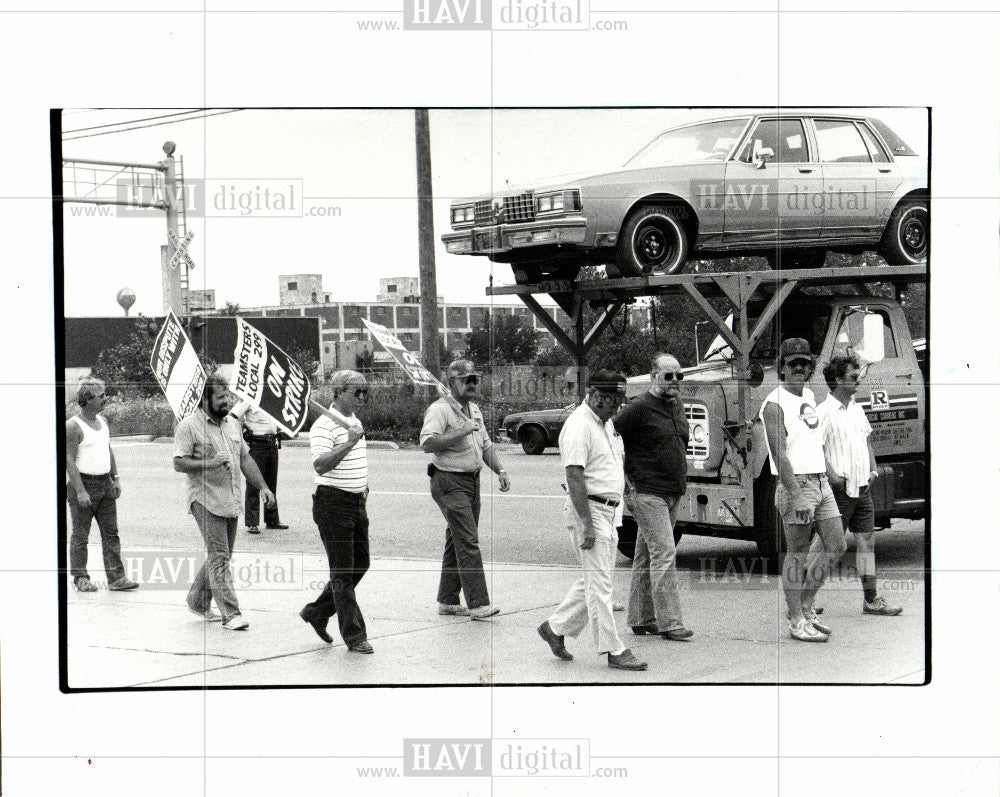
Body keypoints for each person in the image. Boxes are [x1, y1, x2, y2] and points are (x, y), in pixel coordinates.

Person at [538, 370, 648, 672]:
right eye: (613, 402)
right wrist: (586, 523)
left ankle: (555, 627)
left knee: (596, 580)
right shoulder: (578, 427)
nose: (617, 409)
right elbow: (574, 475)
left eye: (619, 402)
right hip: (589, 511)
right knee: (600, 586)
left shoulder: (605, 423)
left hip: (609, 511)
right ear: (596, 396)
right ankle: (614, 650)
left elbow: (612, 463)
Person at [760, 338, 847, 643]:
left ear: (811, 367)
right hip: (796, 484)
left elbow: (813, 440)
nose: (798, 368)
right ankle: (796, 619)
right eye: (791, 363)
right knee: (796, 553)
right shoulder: (774, 403)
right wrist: (795, 494)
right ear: (781, 368)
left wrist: (830, 473)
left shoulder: (808, 395)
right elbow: (779, 453)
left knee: (837, 545)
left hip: (820, 482)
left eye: (804, 363)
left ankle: (806, 605)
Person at [173, 373, 275, 631]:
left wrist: (263, 487)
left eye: (227, 396)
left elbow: (246, 460)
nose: (226, 402)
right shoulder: (189, 426)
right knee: (219, 556)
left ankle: (197, 600)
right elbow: (179, 463)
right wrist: (212, 462)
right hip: (204, 499)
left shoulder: (232, 424)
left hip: (230, 498)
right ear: (205, 398)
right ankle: (231, 613)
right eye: (220, 397)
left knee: (221, 555)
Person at [420, 359, 510, 621]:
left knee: (457, 538)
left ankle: (448, 599)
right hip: (449, 480)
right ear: (452, 383)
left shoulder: (474, 410)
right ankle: (478, 603)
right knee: (469, 541)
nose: (471, 384)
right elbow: (427, 443)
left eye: (474, 379)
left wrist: (500, 470)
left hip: (472, 481)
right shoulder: (440, 410)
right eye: (465, 379)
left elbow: (485, 446)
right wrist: (461, 431)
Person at [813, 353, 902, 616]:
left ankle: (871, 600)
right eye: (853, 378)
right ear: (838, 380)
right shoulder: (823, 413)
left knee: (867, 541)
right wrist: (834, 479)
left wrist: (872, 470)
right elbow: (815, 449)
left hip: (862, 489)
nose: (857, 382)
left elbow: (867, 441)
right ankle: (804, 599)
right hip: (839, 492)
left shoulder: (856, 408)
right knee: (824, 545)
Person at [612, 352, 693, 641]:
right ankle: (671, 622)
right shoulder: (638, 408)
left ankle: (641, 618)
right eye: (668, 375)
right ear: (653, 376)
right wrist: (622, 477)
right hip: (646, 492)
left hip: (672, 491)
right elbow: (610, 435)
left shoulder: (676, 405)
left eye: (679, 376)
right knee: (665, 553)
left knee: (646, 556)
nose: (674, 381)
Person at [299, 370, 374, 654]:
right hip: (333, 503)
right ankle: (354, 635)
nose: (363, 397)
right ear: (339, 392)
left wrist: (364, 486)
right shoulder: (323, 426)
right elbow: (320, 465)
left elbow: (355, 461)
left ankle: (317, 611)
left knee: (361, 563)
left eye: (365, 392)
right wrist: (350, 442)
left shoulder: (354, 421)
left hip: (356, 502)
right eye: (357, 392)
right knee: (342, 570)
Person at [65, 377, 139, 592]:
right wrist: (80, 490)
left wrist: (115, 478)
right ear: (87, 399)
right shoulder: (73, 426)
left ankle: (116, 578)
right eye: (101, 396)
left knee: (111, 534)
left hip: (105, 484)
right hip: (84, 485)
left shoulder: (103, 421)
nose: (105, 399)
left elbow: (108, 450)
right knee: (81, 534)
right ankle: (80, 578)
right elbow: (68, 459)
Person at [230, 399, 288, 534]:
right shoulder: (248, 398)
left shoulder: (272, 399)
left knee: (271, 481)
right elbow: (232, 416)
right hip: (257, 443)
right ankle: (252, 523)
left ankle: (272, 520)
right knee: (253, 483)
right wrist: (242, 428)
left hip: (272, 443)